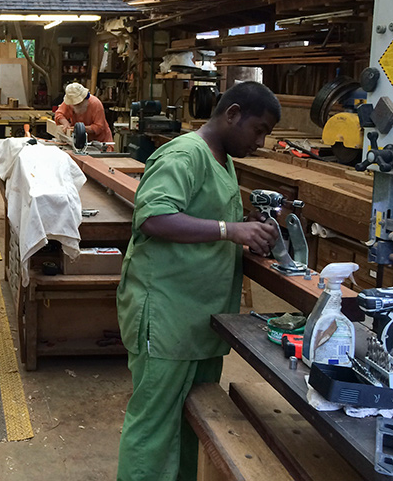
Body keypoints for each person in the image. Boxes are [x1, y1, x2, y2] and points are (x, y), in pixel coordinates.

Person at [116, 81, 282, 481]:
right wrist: (231, 230)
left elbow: (208, 224)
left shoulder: (222, 159)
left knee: (192, 425)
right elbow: (154, 218)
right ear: (232, 114)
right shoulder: (185, 155)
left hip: (200, 322)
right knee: (154, 429)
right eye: (258, 130)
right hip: (168, 318)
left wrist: (249, 234)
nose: (260, 142)